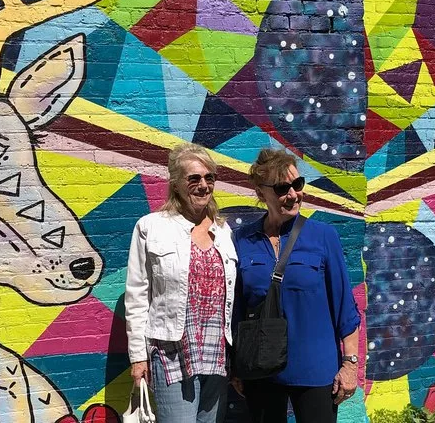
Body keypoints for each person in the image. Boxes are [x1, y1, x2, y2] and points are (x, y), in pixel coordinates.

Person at [232, 148, 360, 423]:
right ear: (260, 192)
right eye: (282, 188)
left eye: (298, 184)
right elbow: (237, 308)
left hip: (316, 369)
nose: (293, 194)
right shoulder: (242, 240)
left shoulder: (323, 236)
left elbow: (345, 308)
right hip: (261, 369)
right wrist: (236, 364)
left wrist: (350, 364)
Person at [125, 143, 237, 423]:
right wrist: (138, 357)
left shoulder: (223, 230)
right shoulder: (151, 227)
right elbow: (137, 296)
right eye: (194, 178)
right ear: (175, 183)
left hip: (217, 354)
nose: (203, 185)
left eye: (209, 177)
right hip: (172, 353)